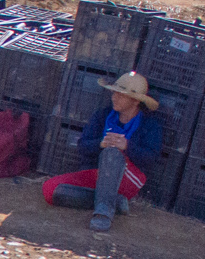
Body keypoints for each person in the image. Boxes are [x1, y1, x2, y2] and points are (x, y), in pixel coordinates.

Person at [42, 71, 164, 232]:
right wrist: (101, 144)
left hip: (127, 178)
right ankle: (115, 202)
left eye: (121, 95)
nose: (114, 97)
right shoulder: (102, 115)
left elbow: (151, 159)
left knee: (112, 154)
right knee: (50, 189)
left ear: (135, 101)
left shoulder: (150, 125)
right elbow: (83, 146)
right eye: (114, 93)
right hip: (96, 174)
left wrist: (127, 146)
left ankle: (103, 213)